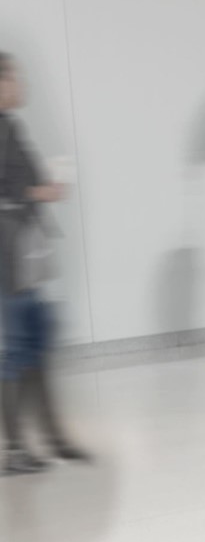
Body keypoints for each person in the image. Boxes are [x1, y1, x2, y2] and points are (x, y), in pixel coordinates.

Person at [0, 53, 85, 474]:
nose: (20, 84)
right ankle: (15, 449)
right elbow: (12, 188)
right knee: (18, 352)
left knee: (36, 349)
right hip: (8, 260)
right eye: (14, 77)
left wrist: (38, 191)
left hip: (25, 256)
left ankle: (51, 439)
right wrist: (38, 192)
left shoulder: (10, 125)